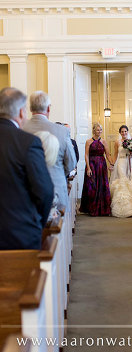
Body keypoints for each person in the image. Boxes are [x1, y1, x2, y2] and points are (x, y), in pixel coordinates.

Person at [0, 87, 53, 250]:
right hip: (19, 234)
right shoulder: (28, 142)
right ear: (22, 112)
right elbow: (45, 191)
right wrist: (38, 222)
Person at [23, 91, 76, 212]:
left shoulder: (20, 129)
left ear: (30, 108)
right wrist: (59, 172)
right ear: (48, 108)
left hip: (27, 194)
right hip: (55, 190)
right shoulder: (62, 131)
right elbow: (71, 162)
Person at [80, 122, 112, 216]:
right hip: (92, 165)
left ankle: (102, 208)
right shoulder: (89, 141)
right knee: (91, 185)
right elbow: (86, 154)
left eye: (101, 130)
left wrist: (112, 163)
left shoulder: (104, 141)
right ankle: (91, 208)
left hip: (101, 165)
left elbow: (107, 155)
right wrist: (88, 168)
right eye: (98, 130)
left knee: (102, 185)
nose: (99, 131)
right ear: (94, 130)